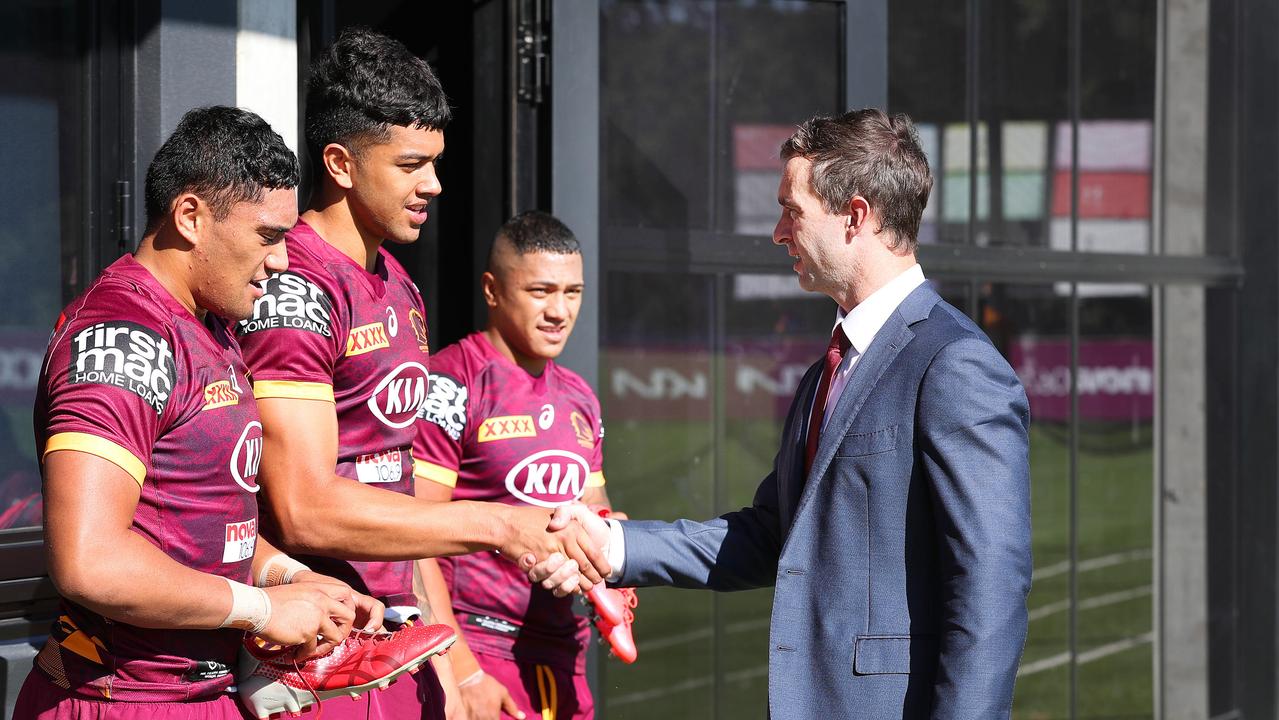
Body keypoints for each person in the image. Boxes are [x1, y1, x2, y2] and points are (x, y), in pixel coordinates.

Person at [533, 109, 1033, 718]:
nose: (777, 232)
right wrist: (614, 546)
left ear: (856, 215)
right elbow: (774, 535)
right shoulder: (828, 368)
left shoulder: (954, 365)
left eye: (792, 210)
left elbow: (990, 589)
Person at [234, 29, 608, 720]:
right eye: (411, 164)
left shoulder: (400, 286)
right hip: (314, 657)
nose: (433, 185)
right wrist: (499, 525)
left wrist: (452, 663)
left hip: (400, 645)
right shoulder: (294, 285)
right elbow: (303, 508)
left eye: (434, 162)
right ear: (341, 163)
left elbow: (398, 490)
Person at [16, 106, 382, 719]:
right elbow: (90, 559)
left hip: (200, 693)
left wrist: (287, 578)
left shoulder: (210, 325)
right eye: (268, 236)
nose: (283, 261)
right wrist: (261, 610)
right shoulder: (122, 335)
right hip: (119, 697)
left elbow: (198, 521)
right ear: (190, 217)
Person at [415, 212, 618, 720]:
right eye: (541, 291)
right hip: (482, 652)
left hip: (564, 658)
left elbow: (598, 511)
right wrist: (462, 672)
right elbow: (411, 543)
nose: (559, 311)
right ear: (492, 290)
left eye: (573, 292)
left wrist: (617, 560)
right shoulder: (450, 382)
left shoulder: (580, 397)